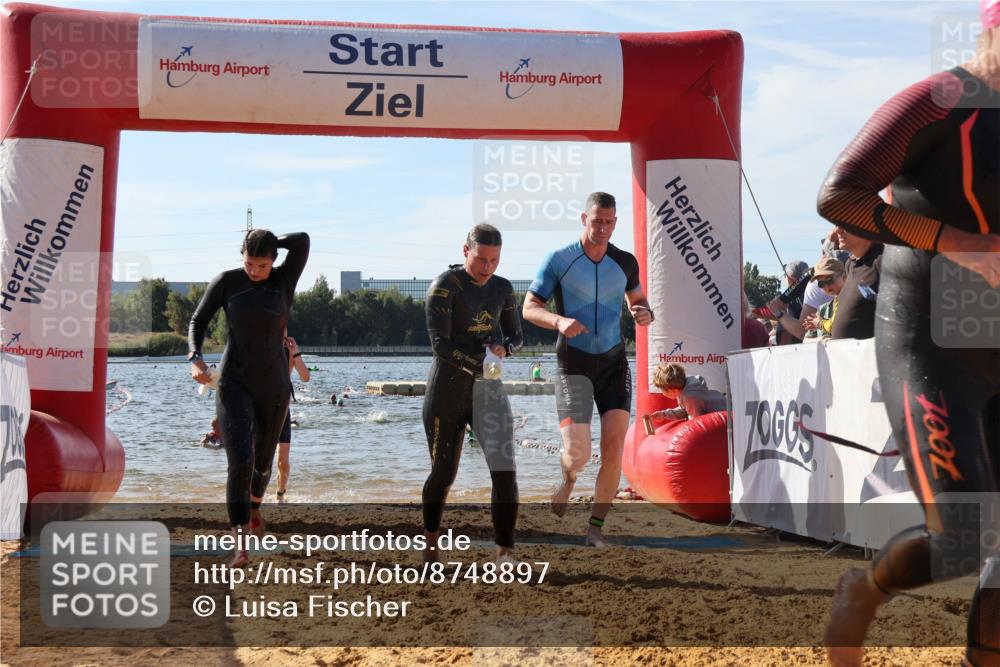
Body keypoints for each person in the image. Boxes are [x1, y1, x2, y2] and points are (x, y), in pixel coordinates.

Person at [816, 4, 1000, 663]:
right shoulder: (937, 102)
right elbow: (840, 196)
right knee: (963, 534)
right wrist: (960, 244)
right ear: (991, 30)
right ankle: (862, 589)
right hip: (928, 340)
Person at [523, 191, 653, 547]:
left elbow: (638, 301)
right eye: (597, 221)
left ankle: (595, 528)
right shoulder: (560, 260)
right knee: (578, 452)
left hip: (613, 363)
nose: (603, 228)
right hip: (574, 364)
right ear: (584, 219)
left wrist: (644, 313)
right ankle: (568, 479)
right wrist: (558, 320)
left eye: (610, 222)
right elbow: (529, 307)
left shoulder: (625, 262)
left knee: (614, 447)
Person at [188, 228, 309, 567]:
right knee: (239, 461)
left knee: (263, 465)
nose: (253, 271)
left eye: (261, 264)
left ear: (273, 261)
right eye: (248, 263)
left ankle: (254, 509)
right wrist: (194, 357)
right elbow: (198, 320)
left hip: (273, 387)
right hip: (234, 383)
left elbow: (302, 241)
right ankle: (240, 545)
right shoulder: (228, 282)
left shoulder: (284, 280)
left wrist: (272, 242)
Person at [422, 223, 523, 564]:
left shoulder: (503, 289)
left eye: (494, 260)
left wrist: (504, 349)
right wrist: (475, 363)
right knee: (443, 474)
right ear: (465, 251)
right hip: (447, 389)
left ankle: (504, 549)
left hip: (489, 391)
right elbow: (440, 345)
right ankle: (432, 543)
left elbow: (517, 337)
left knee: (505, 469)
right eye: (481, 259)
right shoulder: (444, 286)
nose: (487, 267)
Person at [275, 333, 310, 503]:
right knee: (255, 458)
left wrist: (295, 351)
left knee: (283, 462)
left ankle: (280, 493)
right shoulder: (262, 348)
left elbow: (305, 377)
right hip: (260, 411)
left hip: (282, 411)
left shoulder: (289, 351)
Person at [648, 363, 726, 422]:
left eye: (663, 390)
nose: (662, 393)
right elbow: (685, 411)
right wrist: (664, 414)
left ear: (673, 389)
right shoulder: (687, 388)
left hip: (726, 417)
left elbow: (696, 422)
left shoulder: (689, 396)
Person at [801, 257, 847, 340]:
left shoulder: (851, 298)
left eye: (829, 280)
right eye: (821, 284)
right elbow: (806, 340)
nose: (826, 286)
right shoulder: (823, 310)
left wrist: (819, 323)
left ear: (844, 277)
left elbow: (835, 325)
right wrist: (822, 338)